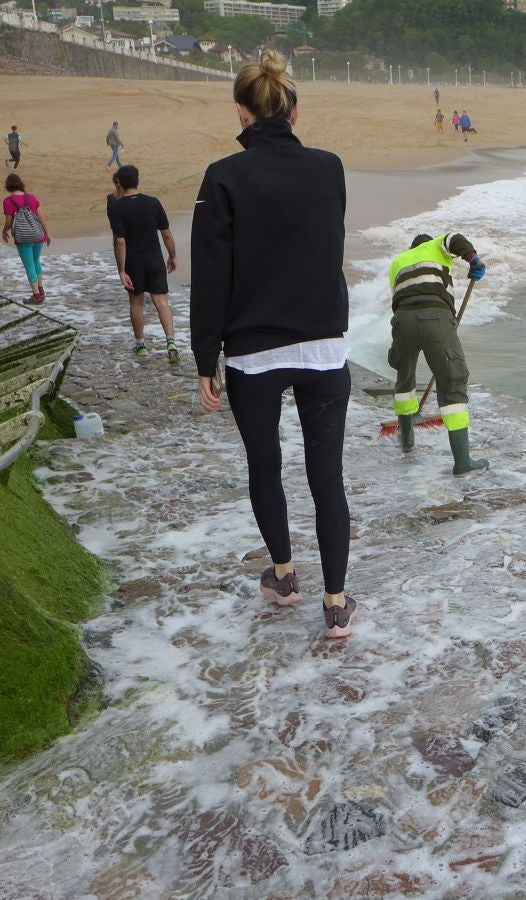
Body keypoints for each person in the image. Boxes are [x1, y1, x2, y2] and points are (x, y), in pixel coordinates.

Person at [191, 50, 357, 638]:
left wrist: (203, 357)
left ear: (241, 111)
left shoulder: (223, 177)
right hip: (322, 347)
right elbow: (323, 242)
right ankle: (336, 604)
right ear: (293, 108)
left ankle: (284, 576)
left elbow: (211, 275)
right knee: (326, 475)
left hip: (253, 351)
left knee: (265, 465)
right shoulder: (329, 167)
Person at [385, 232, 488, 476]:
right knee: (453, 380)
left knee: (404, 375)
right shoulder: (435, 246)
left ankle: (407, 441)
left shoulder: (398, 262)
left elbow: (399, 298)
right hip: (435, 317)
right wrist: (473, 259)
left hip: (402, 320)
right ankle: (462, 462)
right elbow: (454, 238)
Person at [107, 165, 179, 363]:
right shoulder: (153, 202)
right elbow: (166, 233)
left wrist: (121, 269)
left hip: (133, 260)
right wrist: (172, 256)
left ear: (120, 183)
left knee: (136, 302)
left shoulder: (117, 207)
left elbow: (119, 241)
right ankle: (171, 342)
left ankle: (141, 345)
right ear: (138, 181)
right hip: (154, 258)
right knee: (161, 302)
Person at [0, 173, 51, 304]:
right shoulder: (31, 198)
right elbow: (41, 217)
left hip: (23, 237)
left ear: (8, 186)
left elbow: (9, 221)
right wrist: (46, 233)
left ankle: (36, 296)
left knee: (29, 265)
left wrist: (4, 231)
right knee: (36, 261)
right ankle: (41, 289)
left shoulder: (8, 201)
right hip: (38, 234)